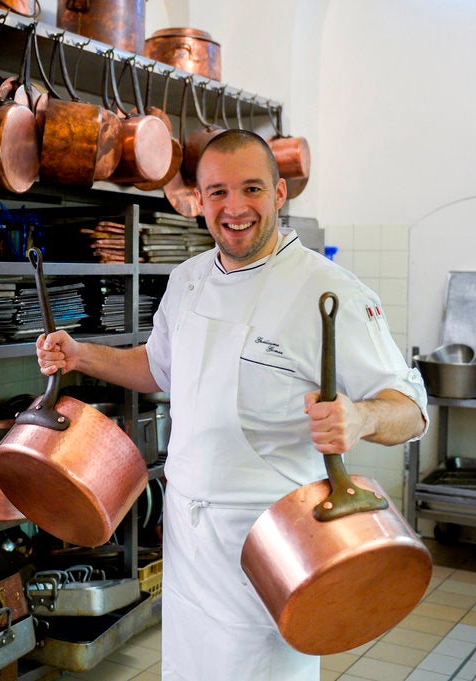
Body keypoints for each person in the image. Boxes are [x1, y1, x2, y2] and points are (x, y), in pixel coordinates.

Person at [35, 129, 428, 681]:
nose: (235, 208)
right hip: (189, 539)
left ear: (280, 193)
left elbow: (410, 406)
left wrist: (361, 417)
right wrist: (80, 355)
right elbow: (157, 367)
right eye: (217, 192)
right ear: (198, 200)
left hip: (273, 542)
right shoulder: (188, 280)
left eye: (252, 189)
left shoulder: (326, 288)